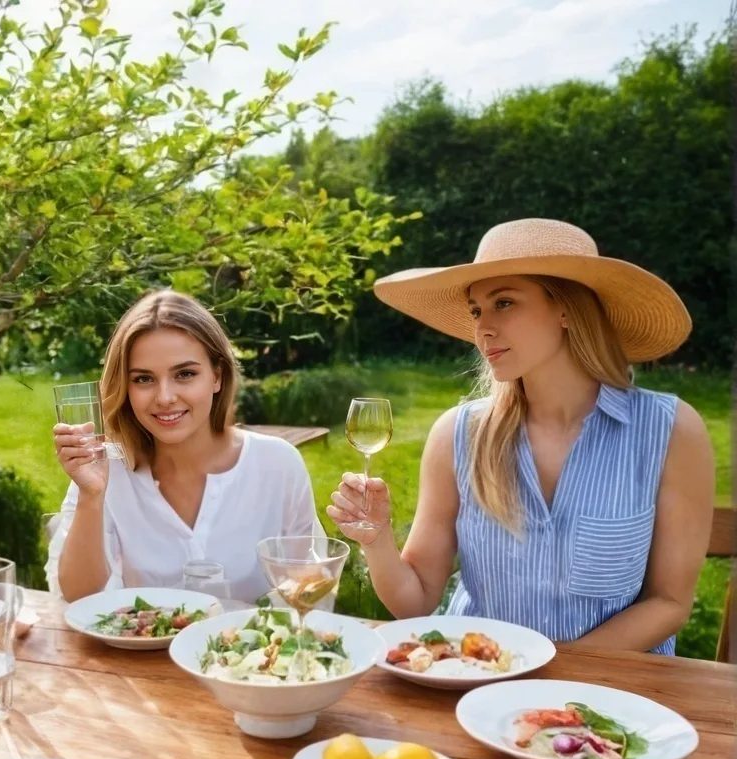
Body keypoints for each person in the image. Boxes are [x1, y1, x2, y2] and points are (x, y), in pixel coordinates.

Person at [327, 218, 714, 654]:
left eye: (504, 302)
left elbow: (669, 602)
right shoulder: (458, 436)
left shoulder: (671, 431)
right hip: (477, 684)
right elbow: (415, 601)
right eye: (476, 310)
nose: (482, 328)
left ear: (567, 308)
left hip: (610, 701)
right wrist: (377, 540)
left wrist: (548, 673)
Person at [46, 289, 319, 604]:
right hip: (137, 654)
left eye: (185, 374)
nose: (164, 397)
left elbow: (309, 592)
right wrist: (90, 497)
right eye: (143, 379)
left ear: (216, 376)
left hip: (252, 652)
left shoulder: (278, 465)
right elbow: (79, 596)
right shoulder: (104, 470)